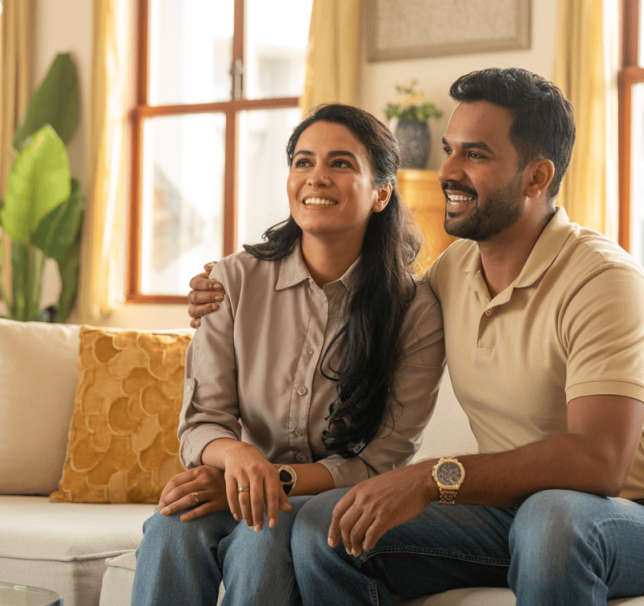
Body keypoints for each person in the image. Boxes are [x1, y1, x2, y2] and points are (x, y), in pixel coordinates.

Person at [188, 68, 644, 605]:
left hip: (632, 521)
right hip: (505, 516)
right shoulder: (452, 274)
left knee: (552, 519)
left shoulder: (602, 279)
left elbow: (600, 461)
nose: (448, 170)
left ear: (536, 177)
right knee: (326, 524)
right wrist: (220, 298)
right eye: (450, 150)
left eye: (475, 155)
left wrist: (433, 477)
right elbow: (363, 305)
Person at [131, 103, 446, 606]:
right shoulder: (232, 280)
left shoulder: (413, 309)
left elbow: (382, 459)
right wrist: (235, 457)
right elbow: (202, 420)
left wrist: (265, 479)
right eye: (303, 162)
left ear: (382, 193)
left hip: (331, 501)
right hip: (236, 479)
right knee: (173, 526)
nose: (316, 177)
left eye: (341, 164)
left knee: (264, 533)